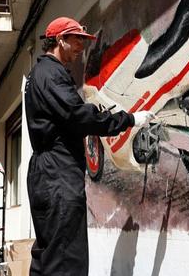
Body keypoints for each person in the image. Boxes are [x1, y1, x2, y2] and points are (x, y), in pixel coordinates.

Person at [25, 17, 154, 276]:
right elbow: (78, 116)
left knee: (49, 255)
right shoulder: (51, 74)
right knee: (66, 260)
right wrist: (129, 119)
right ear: (60, 40)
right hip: (57, 175)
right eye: (76, 40)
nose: (81, 47)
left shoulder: (40, 74)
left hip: (47, 174)